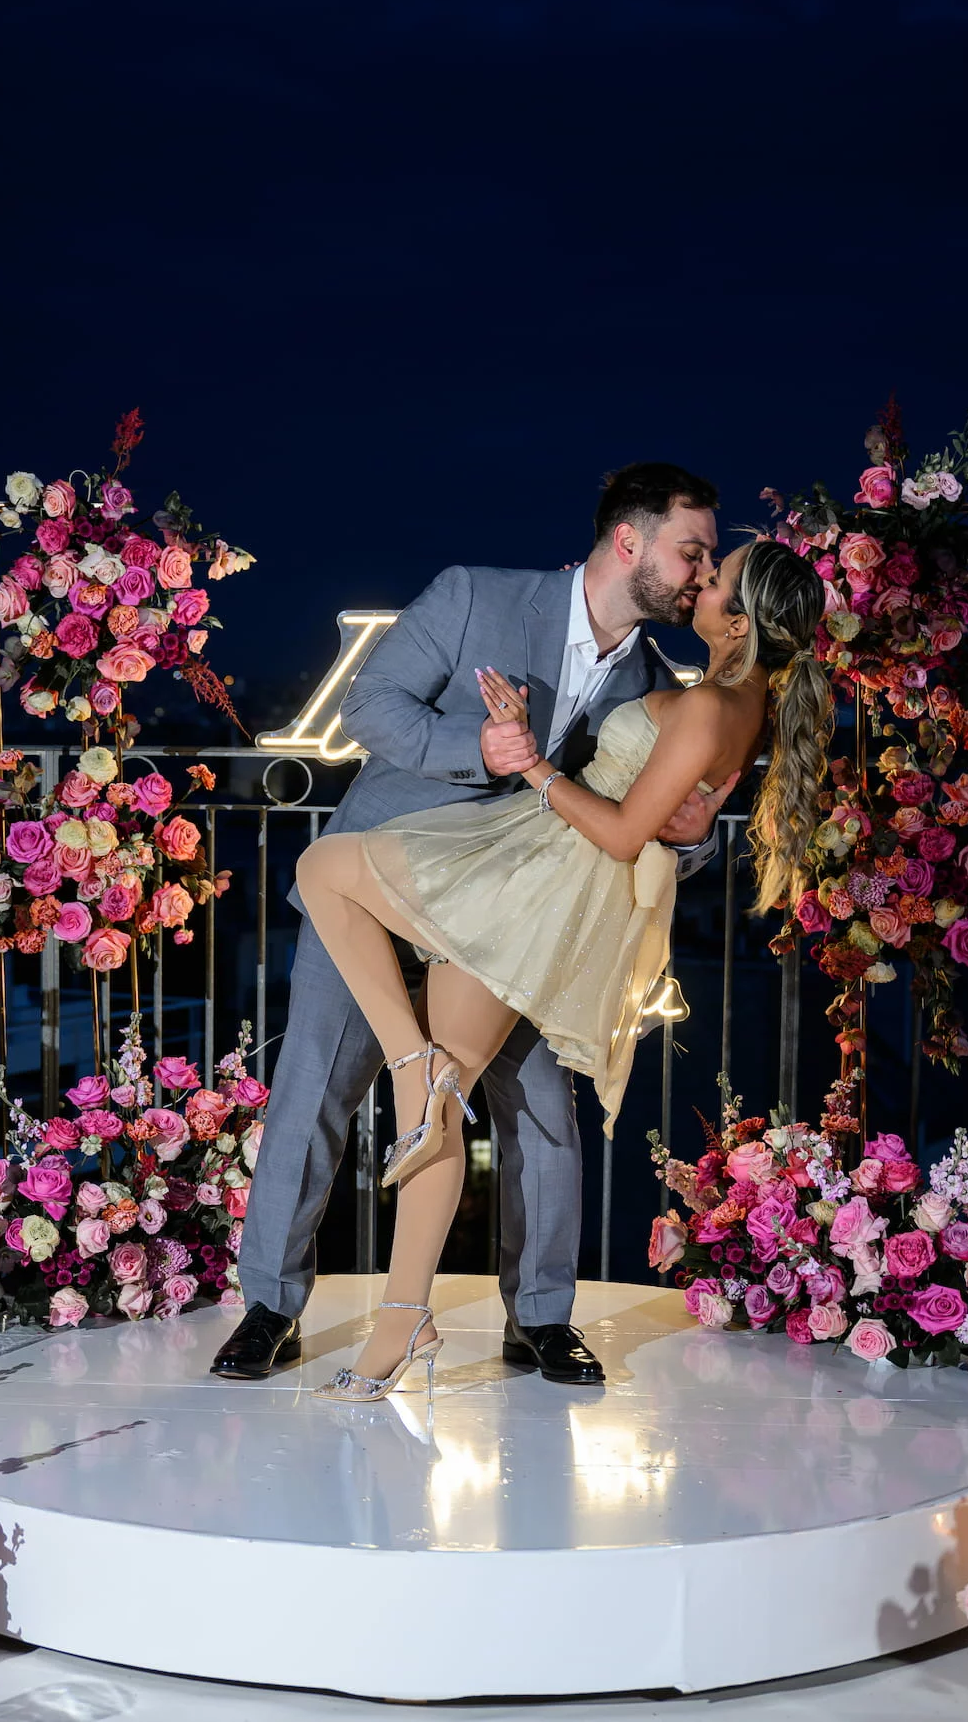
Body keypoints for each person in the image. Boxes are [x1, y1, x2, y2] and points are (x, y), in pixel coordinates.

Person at [212, 463, 735, 1388]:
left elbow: (651, 818)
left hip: (517, 922)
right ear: (630, 541)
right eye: (689, 550)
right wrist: (477, 749)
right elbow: (371, 706)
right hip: (388, 883)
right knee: (313, 1091)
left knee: (538, 1108)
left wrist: (690, 840)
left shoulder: (659, 678)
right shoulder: (473, 595)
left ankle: (537, 1315)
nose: (700, 573)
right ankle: (270, 1305)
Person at [295, 537, 832, 1404]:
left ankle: (400, 1315)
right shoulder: (742, 703)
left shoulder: (711, 706)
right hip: (539, 866)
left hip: (549, 880)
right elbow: (675, 819)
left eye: (715, 575)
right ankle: (405, 1284)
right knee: (345, 910)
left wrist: (536, 764)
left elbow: (625, 831)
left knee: (327, 877)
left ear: (738, 620)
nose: (698, 580)